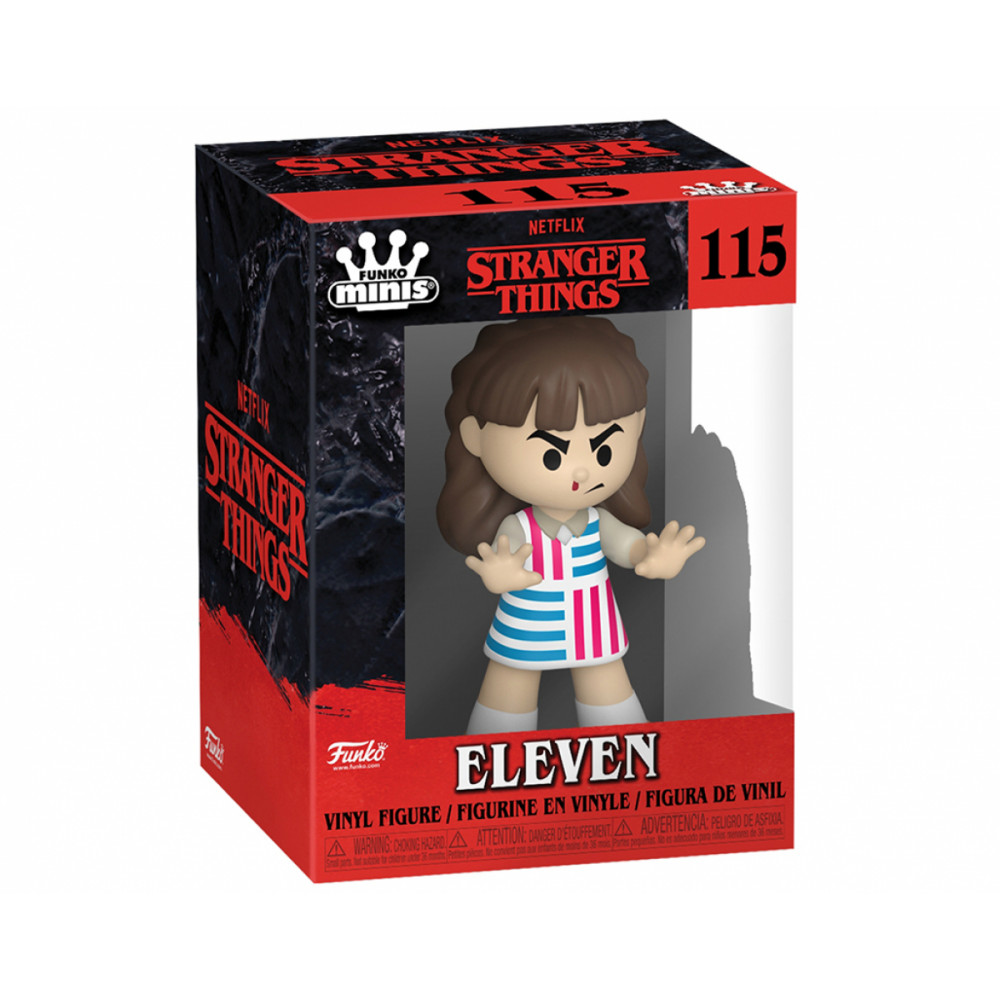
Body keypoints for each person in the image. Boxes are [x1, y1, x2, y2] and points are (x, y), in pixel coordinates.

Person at [437, 316, 704, 734]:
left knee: (607, 685)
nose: (582, 471)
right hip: (529, 621)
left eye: (603, 452)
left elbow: (628, 546)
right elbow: (505, 553)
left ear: (638, 425)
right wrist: (501, 576)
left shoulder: (599, 521)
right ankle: (491, 757)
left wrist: (651, 557)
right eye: (551, 455)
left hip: (593, 622)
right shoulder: (519, 526)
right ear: (476, 437)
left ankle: (624, 755)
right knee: (510, 685)